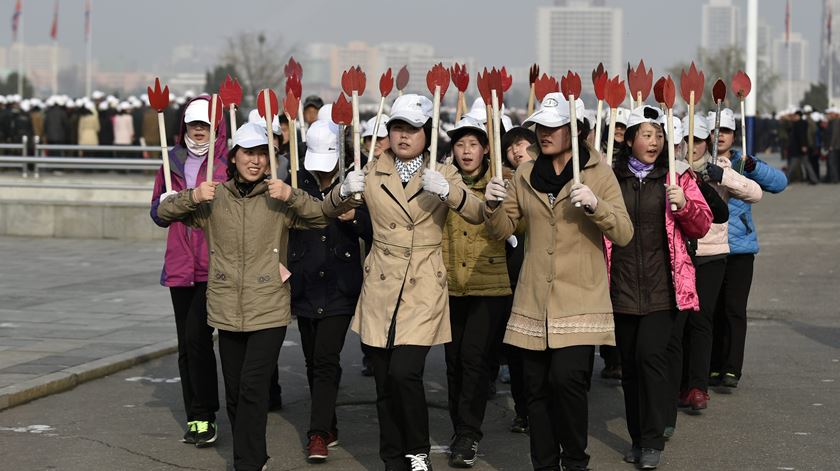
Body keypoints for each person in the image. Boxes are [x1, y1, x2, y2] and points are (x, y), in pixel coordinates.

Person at [323, 94, 486, 471]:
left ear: (426, 134)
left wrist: (450, 192)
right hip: (381, 282)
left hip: (423, 282)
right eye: (397, 128)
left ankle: (417, 449)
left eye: (412, 129)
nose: (403, 136)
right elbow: (326, 211)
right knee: (383, 381)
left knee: (404, 372)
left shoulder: (442, 172)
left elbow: (480, 214)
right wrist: (341, 190)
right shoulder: (371, 170)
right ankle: (392, 458)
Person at [158, 121, 329, 471]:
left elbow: (322, 217)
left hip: (268, 307)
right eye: (248, 153)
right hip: (224, 307)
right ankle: (252, 457)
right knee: (235, 394)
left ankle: (247, 464)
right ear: (233, 157)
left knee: (253, 387)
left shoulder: (278, 196)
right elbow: (163, 213)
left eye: (262, 154)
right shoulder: (214, 197)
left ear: (270, 160)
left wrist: (292, 194)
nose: (255, 161)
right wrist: (193, 195)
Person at [483, 93, 634, 471]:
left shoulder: (598, 172)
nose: (543, 133)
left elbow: (625, 232)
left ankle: (576, 460)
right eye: (540, 127)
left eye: (553, 127)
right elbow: (503, 229)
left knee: (567, 382)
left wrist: (597, 206)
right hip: (534, 298)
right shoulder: (524, 172)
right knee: (535, 391)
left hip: (580, 297)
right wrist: (492, 205)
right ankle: (545, 465)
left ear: (576, 130)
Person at [609, 106, 712, 469]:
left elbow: (702, 225)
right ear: (630, 138)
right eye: (646, 134)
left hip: (663, 288)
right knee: (631, 366)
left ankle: (653, 440)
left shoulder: (676, 177)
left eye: (659, 135)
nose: (653, 142)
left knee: (652, 359)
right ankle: (638, 437)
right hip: (619, 286)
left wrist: (685, 206)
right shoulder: (610, 179)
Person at [288, 119, 373, 463]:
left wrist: (353, 216)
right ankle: (329, 421)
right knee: (313, 361)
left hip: (340, 283)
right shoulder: (294, 182)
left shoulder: (357, 183)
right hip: (305, 283)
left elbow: (373, 230)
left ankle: (317, 434)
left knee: (325, 358)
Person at [150, 95, 228, 448]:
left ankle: (208, 410)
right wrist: (167, 202)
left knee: (200, 340)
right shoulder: (171, 162)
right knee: (187, 344)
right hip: (181, 264)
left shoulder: (229, 161)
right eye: (193, 126)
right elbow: (157, 214)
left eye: (205, 126)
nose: (199, 132)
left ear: (217, 127)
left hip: (217, 263)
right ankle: (197, 416)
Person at [678, 110, 761, 412]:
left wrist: (722, 176)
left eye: (699, 140)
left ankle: (698, 387)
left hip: (712, 254)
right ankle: (679, 383)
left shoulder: (721, 166)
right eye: (687, 139)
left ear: (707, 140)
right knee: (679, 323)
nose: (693, 146)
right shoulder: (671, 168)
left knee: (703, 319)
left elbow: (755, 192)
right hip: (679, 254)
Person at [440, 117, 512, 468]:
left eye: (473, 144)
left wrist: (500, 203)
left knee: (474, 359)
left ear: (486, 148)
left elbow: (518, 224)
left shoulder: (503, 180)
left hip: (489, 284)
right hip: (449, 284)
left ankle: (469, 433)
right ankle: (460, 428)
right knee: (453, 362)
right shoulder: (441, 182)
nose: (466, 151)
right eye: (459, 144)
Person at [710, 110, 788, 390]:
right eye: (715, 131)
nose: (720, 136)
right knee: (711, 310)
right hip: (708, 248)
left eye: (726, 132)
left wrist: (753, 166)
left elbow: (779, 184)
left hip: (739, 248)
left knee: (733, 309)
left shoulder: (744, 162)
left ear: (734, 136)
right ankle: (711, 366)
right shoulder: (699, 160)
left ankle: (731, 368)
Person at [497, 126, 537, 435]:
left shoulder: (547, 179)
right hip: (511, 276)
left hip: (541, 276)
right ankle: (524, 410)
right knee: (517, 351)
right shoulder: (504, 182)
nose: (516, 150)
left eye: (522, 144)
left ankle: (541, 408)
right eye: (511, 147)